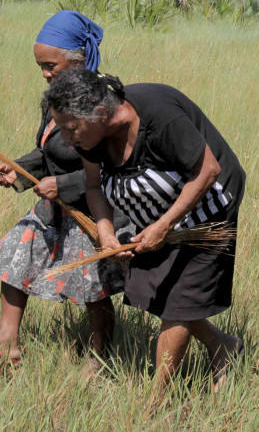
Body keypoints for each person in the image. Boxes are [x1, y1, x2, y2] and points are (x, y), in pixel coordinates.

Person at [42, 67, 245, 394]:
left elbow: (208, 170)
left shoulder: (158, 116)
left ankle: (156, 401)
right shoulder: (89, 137)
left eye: (71, 129)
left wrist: (164, 226)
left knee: (180, 300)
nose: (66, 139)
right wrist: (105, 230)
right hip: (160, 208)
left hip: (210, 201)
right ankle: (223, 346)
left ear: (99, 113)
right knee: (154, 289)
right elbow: (94, 186)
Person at [0, 10, 128, 374]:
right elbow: (49, 151)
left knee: (90, 285)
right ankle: (7, 343)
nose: (46, 73)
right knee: (16, 256)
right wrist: (18, 170)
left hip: (93, 209)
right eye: (41, 67)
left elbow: (110, 168)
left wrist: (61, 184)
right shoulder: (53, 100)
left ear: (77, 58)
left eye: (52, 65)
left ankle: (100, 356)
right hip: (56, 206)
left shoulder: (100, 100)